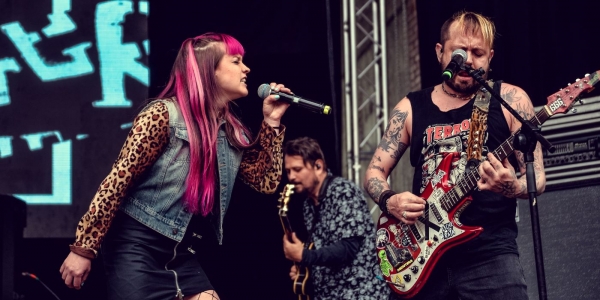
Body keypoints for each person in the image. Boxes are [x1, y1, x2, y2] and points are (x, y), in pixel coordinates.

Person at [59, 32, 291, 300]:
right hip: (136, 247)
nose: (246, 68)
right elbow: (116, 182)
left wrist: (272, 122)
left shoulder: (231, 131)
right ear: (209, 71)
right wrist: (84, 247)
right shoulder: (161, 115)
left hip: (181, 251)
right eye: (236, 61)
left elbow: (265, 182)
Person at [364, 11, 546, 300]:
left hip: (491, 257)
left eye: (478, 53)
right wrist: (390, 201)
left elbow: (537, 181)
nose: (469, 60)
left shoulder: (511, 100)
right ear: (440, 52)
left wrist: (512, 186)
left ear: (490, 57)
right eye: (459, 51)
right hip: (421, 257)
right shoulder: (411, 107)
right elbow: (374, 172)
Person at [282, 137, 389, 299]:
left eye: (297, 169)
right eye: (288, 171)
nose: (291, 177)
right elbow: (324, 252)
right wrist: (304, 269)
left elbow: (348, 248)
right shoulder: (308, 205)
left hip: (359, 292)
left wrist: (304, 256)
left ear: (318, 166)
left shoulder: (343, 191)